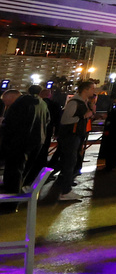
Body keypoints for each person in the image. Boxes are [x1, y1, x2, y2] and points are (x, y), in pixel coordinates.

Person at [0, 85, 50, 213]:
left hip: (19, 143)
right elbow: (47, 120)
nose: (6, 105)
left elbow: (10, 125)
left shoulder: (20, 104)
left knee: (13, 173)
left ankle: (9, 204)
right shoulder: (42, 103)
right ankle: (16, 199)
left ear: (12, 97)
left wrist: (3, 124)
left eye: (6, 102)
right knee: (22, 172)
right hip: (37, 142)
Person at [55, 80, 98, 201]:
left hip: (76, 135)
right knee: (69, 162)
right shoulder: (75, 102)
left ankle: (64, 185)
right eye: (92, 89)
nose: (94, 91)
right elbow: (65, 120)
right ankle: (65, 191)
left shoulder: (84, 102)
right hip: (71, 136)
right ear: (85, 90)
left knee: (69, 161)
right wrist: (84, 116)